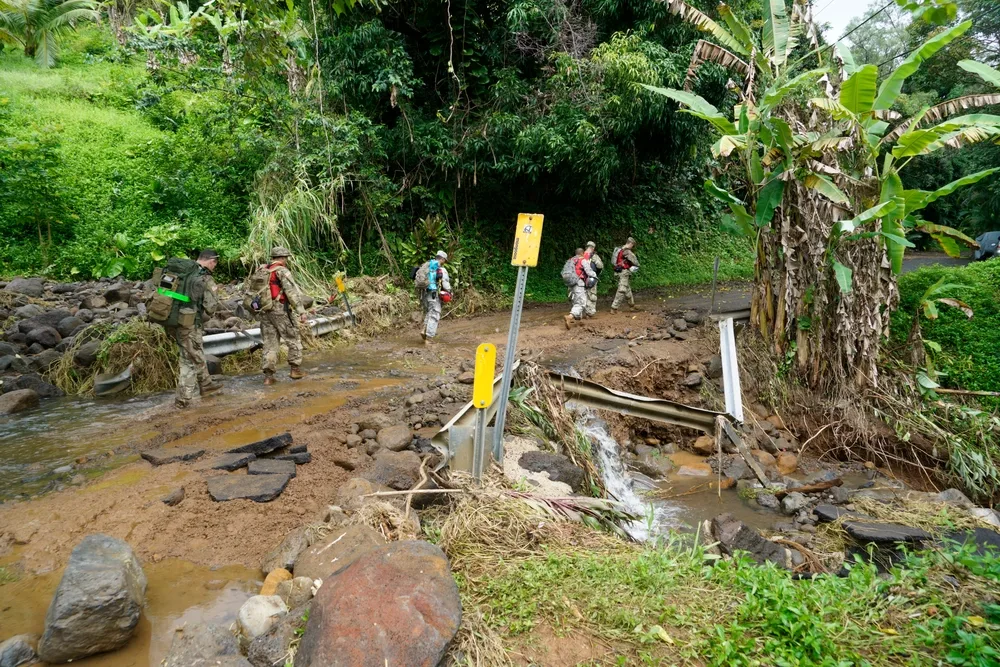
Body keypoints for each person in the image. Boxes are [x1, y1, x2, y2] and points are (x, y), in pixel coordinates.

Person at [166, 249, 222, 409]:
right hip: (190, 324)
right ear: (212, 261)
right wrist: (200, 317)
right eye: (215, 264)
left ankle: (206, 384)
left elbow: (163, 292)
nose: (214, 267)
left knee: (194, 352)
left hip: (171, 320)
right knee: (188, 360)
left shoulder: (178, 272)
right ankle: (182, 402)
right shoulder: (205, 278)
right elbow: (210, 307)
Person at [260, 246, 308, 385]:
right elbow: (291, 293)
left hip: (265, 311)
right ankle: (295, 369)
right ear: (282, 258)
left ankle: (269, 377)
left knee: (270, 344)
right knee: (293, 338)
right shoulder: (282, 271)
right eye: (286, 258)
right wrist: (301, 312)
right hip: (281, 310)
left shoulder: (263, 270)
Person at [417, 250, 451, 344]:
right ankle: (429, 338)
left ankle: (424, 330)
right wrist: (449, 292)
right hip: (433, 294)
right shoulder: (441, 269)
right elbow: (445, 283)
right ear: (442, 259)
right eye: (445, 260)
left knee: (429, 312)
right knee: (435, 314)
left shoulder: (427, 265)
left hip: (424, 294)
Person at [564, 247, 596, 329]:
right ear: (582, 253)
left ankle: (578, 320)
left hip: (570, 283)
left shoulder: (571, 260)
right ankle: (570, 317)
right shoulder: (583, 260)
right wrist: (594, 275)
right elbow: (588, 271)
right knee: (581, 302)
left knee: (575, 300)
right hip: (579, 283)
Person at [611, 237, 640, 313]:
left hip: (617, 271)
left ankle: (632, 305)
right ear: (630, 243)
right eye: (632, 245)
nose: (632, 247)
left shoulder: (618, 249)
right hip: (624, 272)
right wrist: (636, 266)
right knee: (622, 289)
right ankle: (614, 308)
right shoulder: (626, 251)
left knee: (627, 289)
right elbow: (635, 262)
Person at [584, 240, 603, 318]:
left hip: (582, 278)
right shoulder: (594, 256)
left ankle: (580, 312)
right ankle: (590, 313)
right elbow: (600, 266)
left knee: (583, 294)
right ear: (593, 248)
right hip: (591, 278)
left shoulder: (581, 255)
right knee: (592, 295)